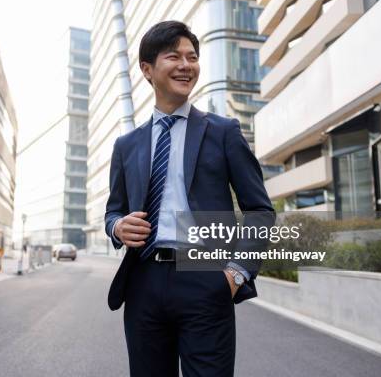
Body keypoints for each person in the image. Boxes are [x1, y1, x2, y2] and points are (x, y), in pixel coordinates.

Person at [104, 20, 274, 377]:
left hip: (206, 277)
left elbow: (259, 209)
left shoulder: (223, 132)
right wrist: (118, 226)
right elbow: (113, 211)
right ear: (147, 69)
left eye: (192, 57)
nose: (186, 65)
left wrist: (236, 273)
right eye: (174, 56)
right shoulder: (126, 145)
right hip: (143, 282)